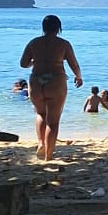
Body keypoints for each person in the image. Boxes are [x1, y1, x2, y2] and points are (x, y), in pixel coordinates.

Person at [20, 14, 83, 161]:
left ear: (43, 28)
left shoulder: (33, 43)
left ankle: (41, 143)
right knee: (53, 121)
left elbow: (23, 63)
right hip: (56, 80)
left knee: (40, 113)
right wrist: (79, 77)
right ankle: (48, 156)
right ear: (58, 28)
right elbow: (74, 64)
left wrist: (34, 62)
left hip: (36, 80)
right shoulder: (64, 44)